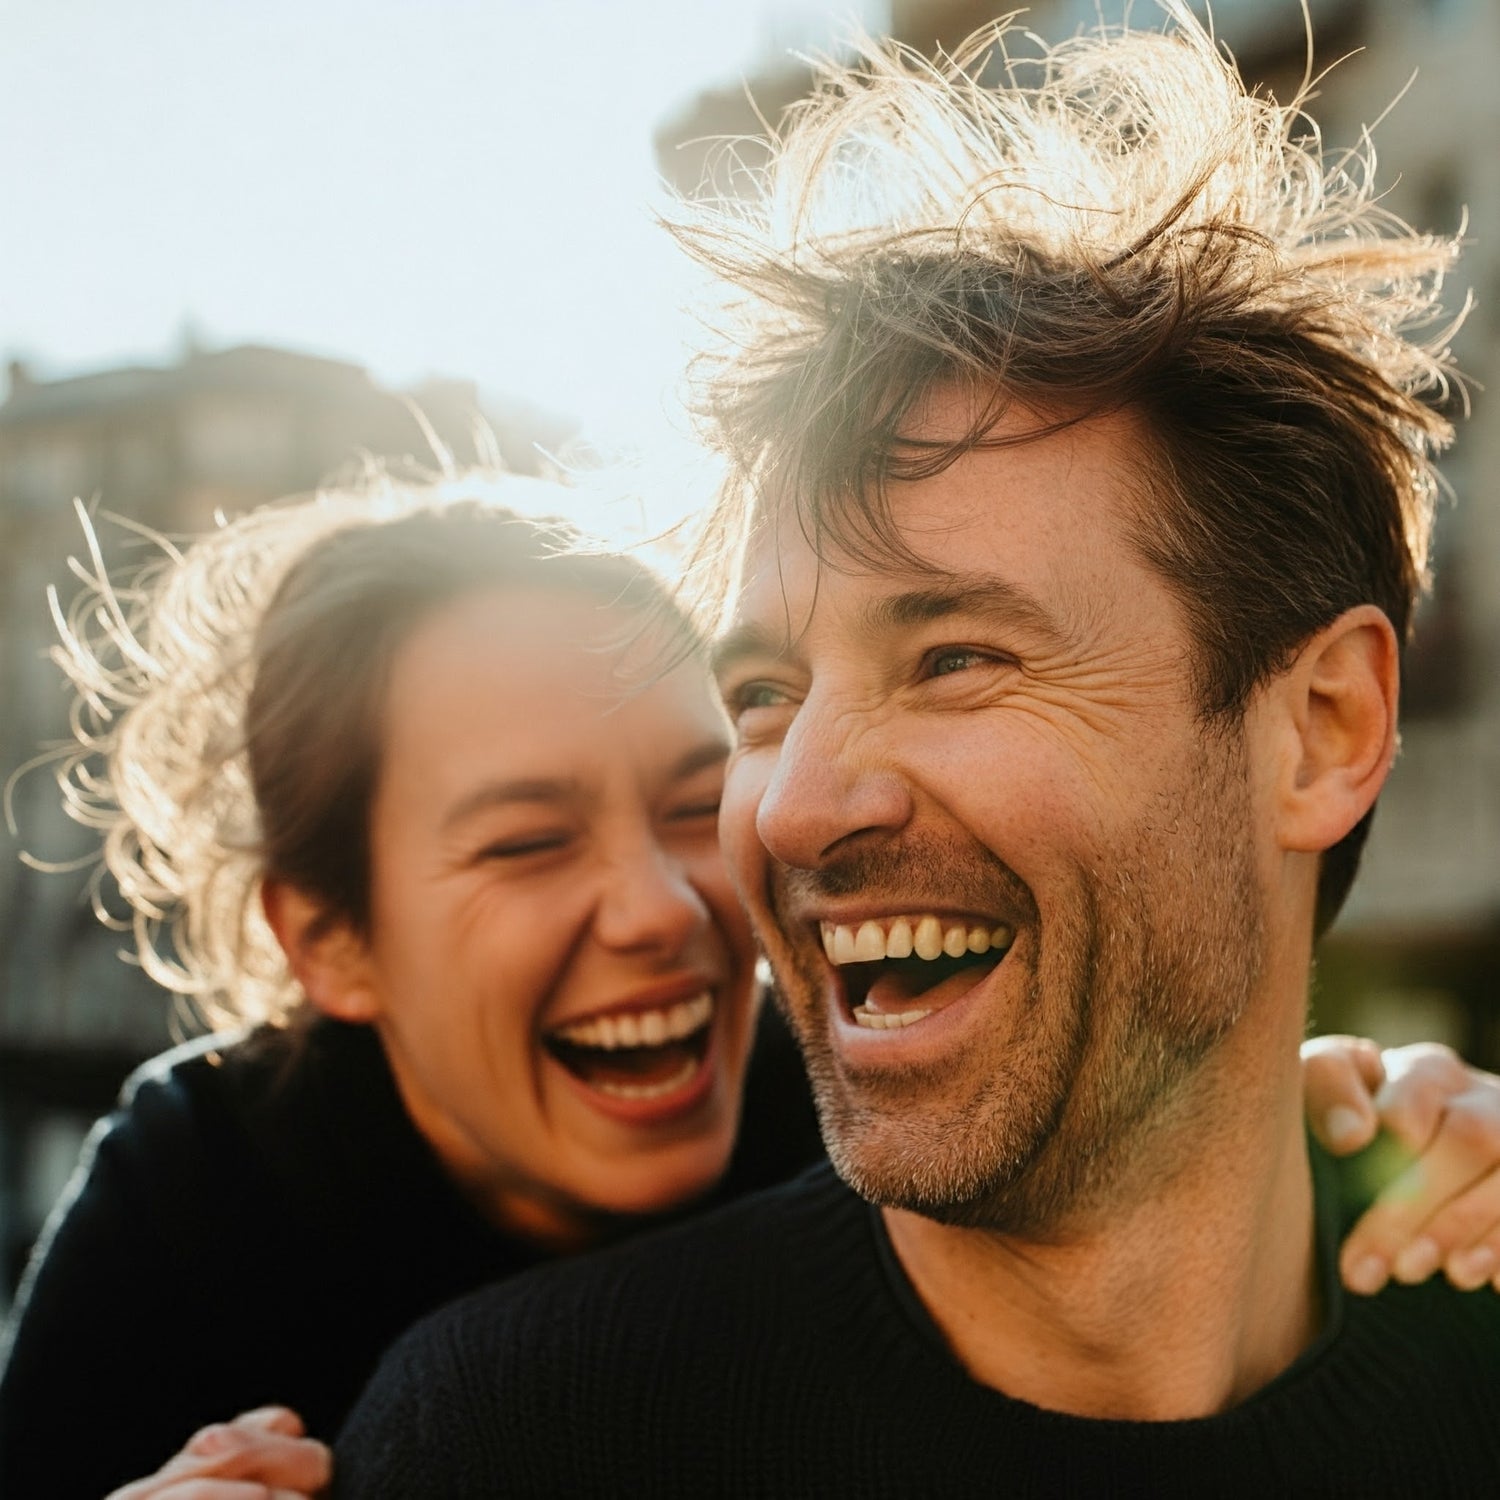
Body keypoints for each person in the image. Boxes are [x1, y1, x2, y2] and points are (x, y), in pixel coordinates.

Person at [332, 8, 1500, 1496]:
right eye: (761, 698)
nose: (795, 806)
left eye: (957, 659)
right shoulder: (513, 1441)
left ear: (1323, 731)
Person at [0, 476, 828, 1499]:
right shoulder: (187, 1206)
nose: (659, 910)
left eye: (699, 805)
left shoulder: (876, 1143)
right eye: (529, 843)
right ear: (331, 940)